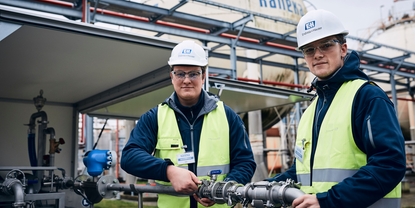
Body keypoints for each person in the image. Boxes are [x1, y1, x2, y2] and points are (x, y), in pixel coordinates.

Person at [266, 9, 406, 208]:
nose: (318, 55)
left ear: (343, 49)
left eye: (326, 45)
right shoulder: (311, 111)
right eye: (309, 49)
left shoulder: (366, 96)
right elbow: (302, 172)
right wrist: (264, 187)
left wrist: (328, 201)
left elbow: (389, 165)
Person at [121, 40, 256, 208]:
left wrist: (223, 189)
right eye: (180, 73)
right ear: (171, 76)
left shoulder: (227, 116)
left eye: (193, 73)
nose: (186, 80)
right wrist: (168, 171)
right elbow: (129, 157)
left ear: (203, 75)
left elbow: (245, 162)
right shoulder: (155, 117)